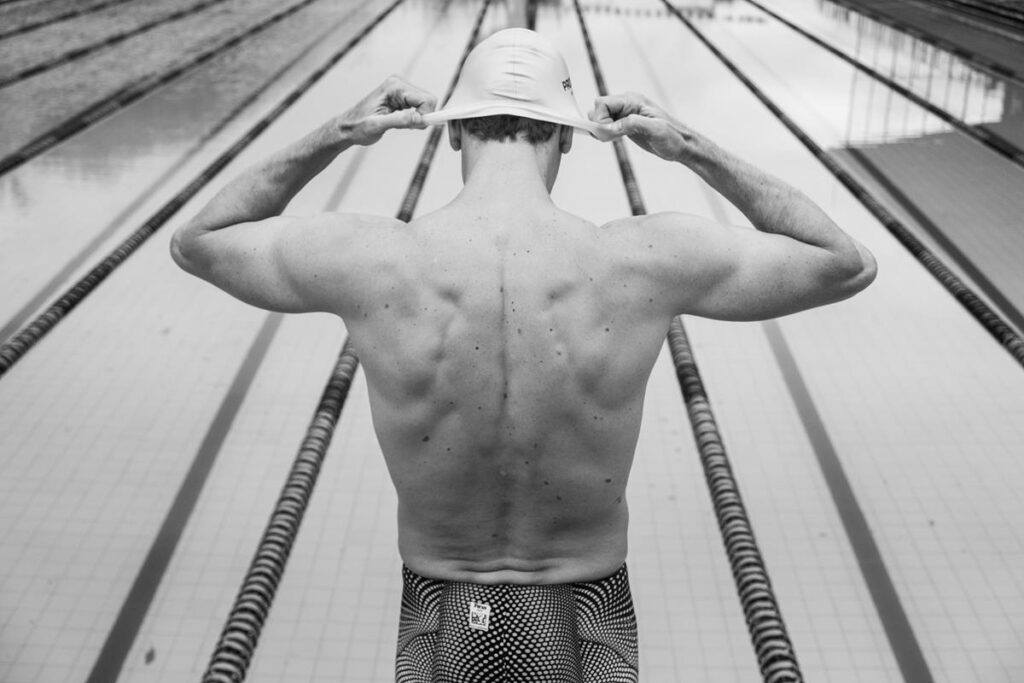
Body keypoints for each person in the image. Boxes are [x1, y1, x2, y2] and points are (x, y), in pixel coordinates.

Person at [171, 27, 875, 683]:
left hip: (439, 613)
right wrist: (688, 144)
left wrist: (338, 133)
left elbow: (197, 241)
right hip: (590, 614)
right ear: (566, 139)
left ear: (453, 136)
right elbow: (844, 263)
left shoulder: (373, 260)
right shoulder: (641, 260)